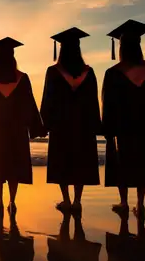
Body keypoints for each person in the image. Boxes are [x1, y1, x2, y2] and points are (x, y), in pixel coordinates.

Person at [0, 37, 45, 217]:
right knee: (14, 166)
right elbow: (30, 104)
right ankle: (12, 200)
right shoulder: (22, 78)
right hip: (17, 130)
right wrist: (35, 127)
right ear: (13, 58)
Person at [102, 20, 145, 216]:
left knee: (122, 165)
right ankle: (140, 204)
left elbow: (107, 104)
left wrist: (107, 129)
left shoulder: (113, 73)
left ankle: (123, 203)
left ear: (121, 48)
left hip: (122, 128)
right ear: (139, 46)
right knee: (143, 164)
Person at [40, 27, 101, 212]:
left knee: (63, 162)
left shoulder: (53, 71)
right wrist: (96, 125)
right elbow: (93, 102)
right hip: (83, 126)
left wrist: (44, 124)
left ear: (61, 50)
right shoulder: (88, 72)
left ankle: (66, 200)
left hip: (61, 126)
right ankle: (77, 201)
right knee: (80, 162)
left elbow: (47, 100)